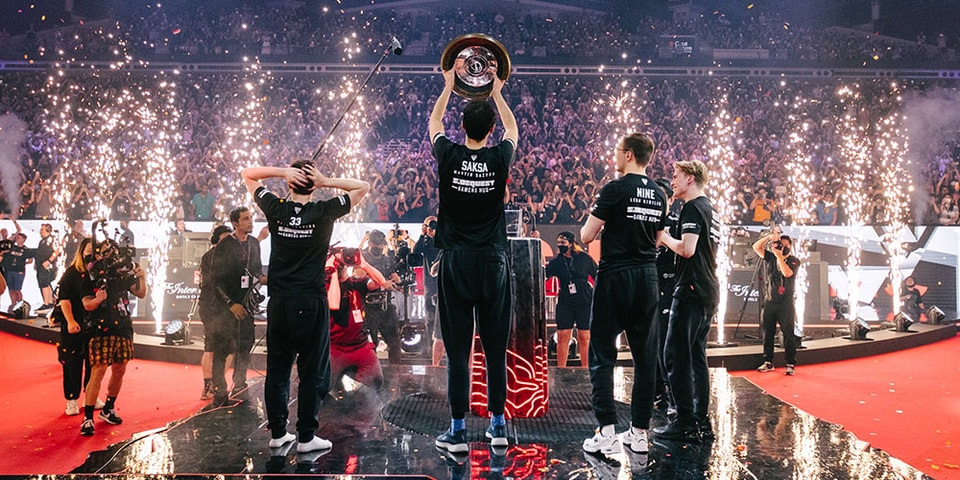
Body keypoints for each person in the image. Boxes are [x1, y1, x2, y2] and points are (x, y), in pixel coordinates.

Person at [241, 160, 369, 453]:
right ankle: (306, 437)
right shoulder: (323, 211)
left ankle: (278, 433)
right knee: (312, 371)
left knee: (277, 370)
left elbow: (247, 174)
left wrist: (282, 173)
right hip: (310, 301)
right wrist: (326, 181)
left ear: (290, 184)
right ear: (314, 186)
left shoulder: (276, 208)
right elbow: (363, 187)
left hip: (280, 302)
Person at [429, 57, 518, 452]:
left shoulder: (448, 154)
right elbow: (513, 129)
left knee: (458, 352)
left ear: (462, 127)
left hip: (457, 262)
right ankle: (498, 427)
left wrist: (449, 84)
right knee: (495, 350)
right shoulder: (499, 157)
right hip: (493, 261)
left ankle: (458, 431)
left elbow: (434, 123)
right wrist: (497, 91)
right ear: (490, 130)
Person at [579, 133, 667, 455]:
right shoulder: (659, 194)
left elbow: (587, 235)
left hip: (615, 275)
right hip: (647, 278)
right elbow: (658, 239)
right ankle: (639, 433)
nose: (614, 156)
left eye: (617, 151)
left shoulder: (614, 189)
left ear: (629, 155)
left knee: (602, 355)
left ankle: (606, 431)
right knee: (645, 358)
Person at [655, 160, 719, 442]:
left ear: (690, 178)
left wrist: (665, 238)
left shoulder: (693, 208)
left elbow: (687, 249)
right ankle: (700, 421)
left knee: (675, 354)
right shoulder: (710, 208)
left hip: (691, 289)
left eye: (676, 175)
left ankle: (684, 421)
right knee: (696, 356)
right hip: (707, 289)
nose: (672, 180)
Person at [78, 238, 148, 436]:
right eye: (107, 252)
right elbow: (86, 304)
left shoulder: (122, 274)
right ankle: (88, 417)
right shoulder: (90, 275)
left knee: (119, 369)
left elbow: (141, 293)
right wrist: (97, 300)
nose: (112, 256)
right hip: (100, 328)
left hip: (123, 326)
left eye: (114, 252)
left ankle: (108, 408)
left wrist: (142, 276)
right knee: (98, 370)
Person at [211, 206, 265, 396]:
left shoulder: (254, 243)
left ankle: (240, 382)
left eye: (251, 217)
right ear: (235, 223)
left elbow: (257, 269)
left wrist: (264, 278)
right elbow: (215, 280)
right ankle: (219, 389)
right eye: (245, 219)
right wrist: (231, 304)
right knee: (222, 348)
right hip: (226, 307)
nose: (251, 222)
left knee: (245, 344)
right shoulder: (225, 245)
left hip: (247, 304)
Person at [326, 250, 391, 390]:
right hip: (335, 347)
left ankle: (356, 393)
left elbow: (381, 282)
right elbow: (333, 304)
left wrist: (363, 263)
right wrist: (332, 272)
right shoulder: (326, 286)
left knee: (375, 381)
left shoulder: (356, 283)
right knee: (323, 385)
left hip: (360, 346)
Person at [752, 226, 800, 376]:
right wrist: (770, 237)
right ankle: (768, 361)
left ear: (790, 246)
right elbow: (756, 247)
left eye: (785, 245)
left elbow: (787, 274)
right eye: (780, 244)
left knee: (788, 333)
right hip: (770, 301)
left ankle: (790, 363)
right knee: (768, 333)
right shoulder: (771, 258)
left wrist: (780, 256)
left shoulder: (794, 260)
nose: (782, 247)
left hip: (786, 303)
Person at [544, 231, 596, 368]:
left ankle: (585, 369)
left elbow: (597, 275)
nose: (560, 245)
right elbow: (544, 273)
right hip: (565, 300)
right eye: (558, 243)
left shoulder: (584, 258)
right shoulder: (557, 262)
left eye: (563, 242)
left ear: (571, 243)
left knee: (584, 336)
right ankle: (561, 369)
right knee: (562, 335)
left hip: (584, 300)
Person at [654, 179, 683, 412]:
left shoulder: (676, 222)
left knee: (666, 340)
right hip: (647, 284)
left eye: (664, 195)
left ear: (671, 199)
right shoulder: (644, 220)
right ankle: (656, 392)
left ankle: (673, 393)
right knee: (649, 341)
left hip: (668, 284)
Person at [57, 237, 93, 416]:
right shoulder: (72, 273)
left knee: (94, 362)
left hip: (93, 324)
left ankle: (90, 395)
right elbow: (64, 299)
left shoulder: (98, 274)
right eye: (89, 251)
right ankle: (71, 399)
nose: (92, 255)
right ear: (81, 251)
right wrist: (71, 321)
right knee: (72, 362)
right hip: (74, 322)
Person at [198, 225, 233, 402]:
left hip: (217, 307)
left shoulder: (214, 255)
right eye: (226, 238)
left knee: (222, 348)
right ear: (217, 239)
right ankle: (210, 385)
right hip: (213, 307)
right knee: (213, 348)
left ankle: (212, 384)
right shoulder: (213, 257)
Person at [360, 230, 402, 364]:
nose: (379, 247)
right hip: (368, 306)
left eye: (381, 245)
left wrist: (397, 281)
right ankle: (369, 370)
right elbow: (362, 280)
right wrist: (383, 284)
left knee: (394, 342)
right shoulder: (362, 258)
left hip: (385, 304)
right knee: (369, 343)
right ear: (370, 243)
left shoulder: (387, 259)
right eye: (376, 244)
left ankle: (395, 370)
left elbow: (394, 275)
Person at [412, 216, 443, 365]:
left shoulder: (444, 239)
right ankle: (430, 349)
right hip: (429, 285)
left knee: (442, 317)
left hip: (443, 283)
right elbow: (416, 252)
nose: (432, 227)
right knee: (430, 318)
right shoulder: (425, 242)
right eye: (429, 224)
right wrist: (422, 234)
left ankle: (442, 350)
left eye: (434, 223)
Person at [1, 231, 33, 310]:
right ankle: (13, 303)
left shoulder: (26, 249)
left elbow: (30, 260)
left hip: (19, 271)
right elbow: (4, 252)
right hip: (10, 270)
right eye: (17, 238)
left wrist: (22, 263)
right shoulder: (12, 247)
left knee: (17, 289)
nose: (17, 239)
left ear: (23, 239)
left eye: (19, 238)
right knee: (11, 289)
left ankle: (20, 304)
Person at [35, 223, 61, 313]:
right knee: (45, 283)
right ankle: (49, 303)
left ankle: (46, 303)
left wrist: (49, 261)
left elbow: (57, 250)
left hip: (48, 265)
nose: (40, 231)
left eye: (42, 230)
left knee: (44, 283)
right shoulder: (42, 241)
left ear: (48, 230)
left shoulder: (52, 239)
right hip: (41, 265)